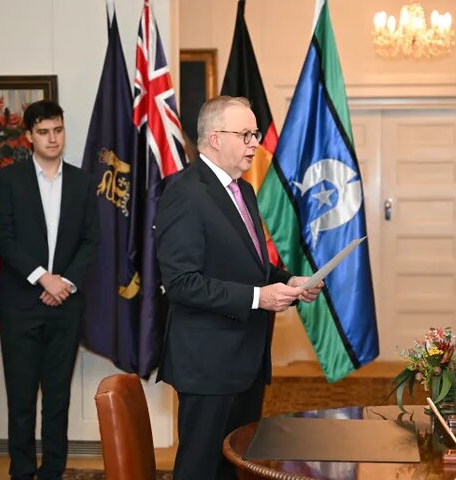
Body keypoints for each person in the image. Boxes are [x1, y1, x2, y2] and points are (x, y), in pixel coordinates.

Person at [155, 95, 323, 480]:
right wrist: (259, 298)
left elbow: (249, 267)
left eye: (255, 134)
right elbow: (181, 283)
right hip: (208, 364)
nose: (255, 144)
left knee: (236, 465)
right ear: (215, 139)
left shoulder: (242, 190)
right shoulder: (185, 193)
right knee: (200, 469)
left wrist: (288, 282)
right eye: (246, 135)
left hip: (246, 360)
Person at [0, 100, 100, 480]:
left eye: (57, 130)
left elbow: (91, 240)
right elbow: (3, 238)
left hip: (65, 304)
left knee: (58, 398)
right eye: (43, 132)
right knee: (21, 398)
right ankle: (21, 472)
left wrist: (63, 282)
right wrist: (43, 277)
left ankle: (53, 471)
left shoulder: (83, 181)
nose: (52, 138)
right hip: (20, 304)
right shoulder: (9, 179)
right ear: (29, 136)